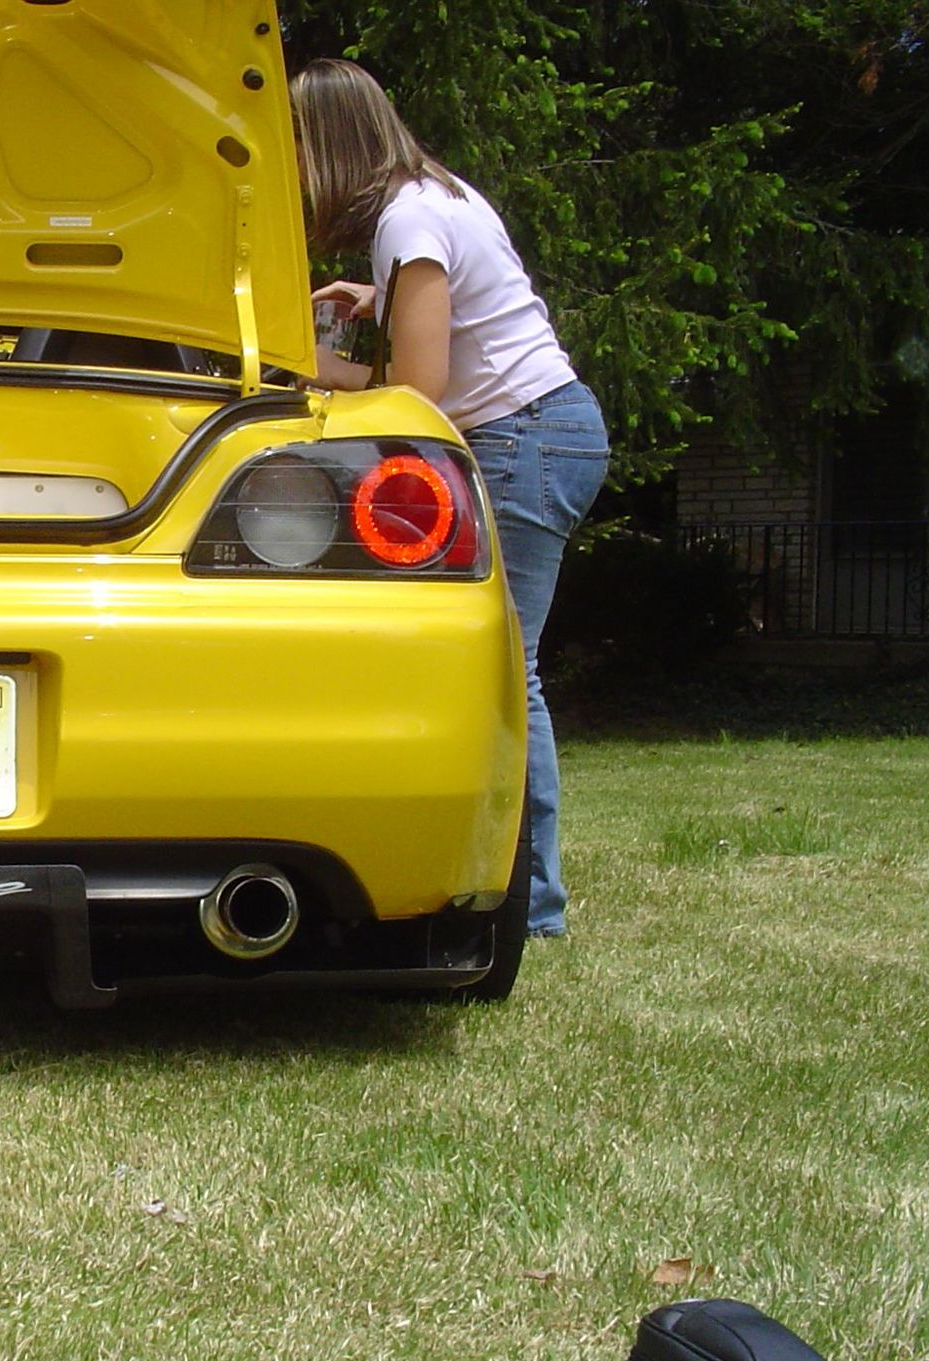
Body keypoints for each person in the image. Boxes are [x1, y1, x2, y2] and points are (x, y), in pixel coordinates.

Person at [291, 58, 610, 939]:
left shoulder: (409, 220)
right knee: (508, 671)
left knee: (508, 677)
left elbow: (420, 392)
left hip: (521, 440)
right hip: (550, 428)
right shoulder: (439, 196)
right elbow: (466, 308)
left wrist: (321, 368)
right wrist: (377, 298)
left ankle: (533, 904)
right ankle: (520, 890)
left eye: (298, 150)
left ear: (329, 147)